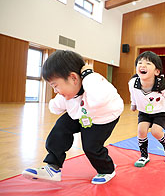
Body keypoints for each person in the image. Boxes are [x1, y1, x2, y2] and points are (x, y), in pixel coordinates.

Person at [22, 50, 124, 184]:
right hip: (81, 114)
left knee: (91, 146)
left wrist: (88, 75)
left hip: (103, 117)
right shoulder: (68, 93)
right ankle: (53, 168)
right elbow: (54, 108)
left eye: (55, 85)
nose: (55, 90)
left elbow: (99, 99)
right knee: (60, 128)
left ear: (74, 78)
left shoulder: (95, 83)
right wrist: (60, 97)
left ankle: (107, 170)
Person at [128, 51, 165, 167]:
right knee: (141, 131)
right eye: (140, 63)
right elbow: (133, 95)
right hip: (145, 111)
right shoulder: (133, 83)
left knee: (155, 131)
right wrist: (133, 104)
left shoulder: (162, 85)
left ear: (157, 71)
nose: (143, 65)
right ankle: (144, 156)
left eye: (148, 63)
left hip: (161, 111)